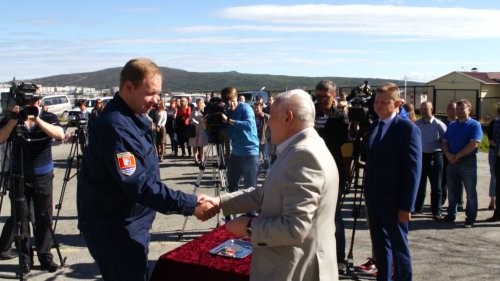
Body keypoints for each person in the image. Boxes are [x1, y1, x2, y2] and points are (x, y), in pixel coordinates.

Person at [76, 58, 215, 281]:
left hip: (133, 223)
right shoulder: (116, 127)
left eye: (158, 93)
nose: (156, 100)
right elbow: (138, 184)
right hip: (117, 230)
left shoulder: (134, 117)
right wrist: (190, 204)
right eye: (150, 93)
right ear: (128, 87)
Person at [202, 89, 339, 281]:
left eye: (271, 116)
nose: (267, 123)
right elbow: (266, 192)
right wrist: (219, 202)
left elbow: (295, 227)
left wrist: (248, 227)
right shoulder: (301, 148)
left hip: (295, 270)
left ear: (287, 117)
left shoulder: (304, 156)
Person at [0, 91, 65, 274]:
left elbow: (60, 135)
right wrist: (14, 120)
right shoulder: (13, 118)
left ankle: (45, 256)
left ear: (39, 102)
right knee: (21, 219)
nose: (30, 106)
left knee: (44, 217)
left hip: (43, 176)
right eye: (27, 103)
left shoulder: (49, 117)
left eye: (34, 102)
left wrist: (37, 120)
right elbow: (0, 138)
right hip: (19, 176)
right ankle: (25, 259)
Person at [364, 83, 422, 281]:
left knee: (399, 248)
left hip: (395, 201)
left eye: (384, 102)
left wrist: (407, 206)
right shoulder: (374, 126)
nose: (378, 106)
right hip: (374, 199)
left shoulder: (407, 129)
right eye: (376, 102)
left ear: (397, 103)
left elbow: (413, 170)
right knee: (380, 247)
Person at [313, 80, 349, 274]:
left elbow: (342, 148)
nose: (320, 101)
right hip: (311, 173)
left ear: (333, 97)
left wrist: (345, 177)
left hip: (333, 174)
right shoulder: (312, 115)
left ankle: (339, 258)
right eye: (317, 97)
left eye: (324, 97)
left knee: (334, 218)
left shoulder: (340, 119)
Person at [220, 87, 260, 219]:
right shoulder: (227, 112)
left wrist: (228, 120)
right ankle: (230, 218)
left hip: (250, 152)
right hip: (236, 153)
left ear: (236, 98)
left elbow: (249, 124)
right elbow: (226, 134)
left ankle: (251, 218)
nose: (230, 104)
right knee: (231, 187)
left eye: (232, 100)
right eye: (227, 101)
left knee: (250, 189)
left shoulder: (245, 108)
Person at [442, 99, 482, 227]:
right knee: (452, 191)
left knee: (470, 192)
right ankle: (451, 214)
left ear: (469, 109)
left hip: (467, 163)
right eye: (457, 109)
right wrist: (448, 155)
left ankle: (470, 219)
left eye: (462, 108)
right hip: (452, 162)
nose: (459, 111)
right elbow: (445, 142)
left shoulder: (474, 125)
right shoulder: (452, 125)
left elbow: (474, 143)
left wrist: (458, 155)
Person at [414, 101, 447, 220]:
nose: (423, 111)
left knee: (436, 185)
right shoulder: (416, 124)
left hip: (435, 156)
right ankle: (417, 208)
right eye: (421, 109)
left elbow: (445, 142)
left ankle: (436, 211)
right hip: (421, 156)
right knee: (420, 184)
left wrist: (443, 154)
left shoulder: (439, 124)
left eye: (425, 109)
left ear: (431, 109)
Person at [253, 99, 270, 176]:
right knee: (256, 157)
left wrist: (269, 137)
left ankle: (267, 171)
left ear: (261, 108)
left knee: (266, 157)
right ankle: (257, 170)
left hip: (264, 139)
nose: (256, 109)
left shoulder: (267, 117)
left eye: (257, 108)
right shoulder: (251, 117)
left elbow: (272, 127)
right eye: (255, 108)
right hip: (254, 140)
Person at [188, 98, 208, 164]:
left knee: (201, 145)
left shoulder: (205, 110)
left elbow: (207, 118)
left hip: (202, 129)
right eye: (198, 103)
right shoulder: (194, 109)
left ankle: (202, 160)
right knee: (194, 145)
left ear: (202, 103)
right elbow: (190, 118)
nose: (199, 104)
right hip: (195, 129)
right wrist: (192, 121)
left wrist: (204, 120)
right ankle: (196, 159)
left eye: (200, 102)